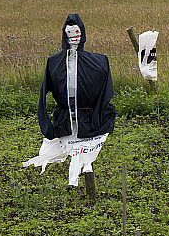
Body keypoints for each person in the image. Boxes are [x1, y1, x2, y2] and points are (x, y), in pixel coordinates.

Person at [23, 13, 115, 186]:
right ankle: (79, 179)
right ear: (64, 35)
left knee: (86, 157)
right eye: (70, 34)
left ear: (83, 34)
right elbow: (43, 93)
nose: (74, 38)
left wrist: (99, 115)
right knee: (69, 151)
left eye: (77, 34)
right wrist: (46, 124)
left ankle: (87, 177)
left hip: (88, 119)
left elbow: (105, 90)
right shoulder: (54, 62)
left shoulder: (99, 62)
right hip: (65, 120)